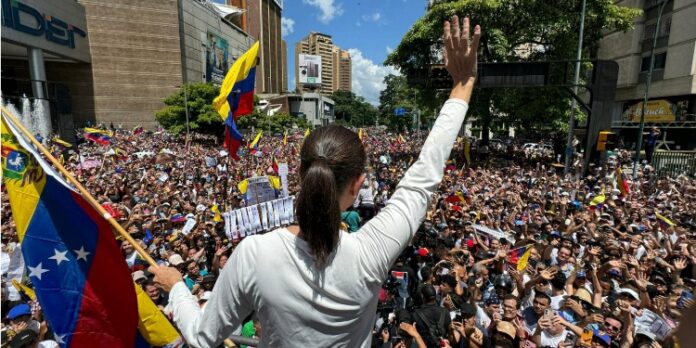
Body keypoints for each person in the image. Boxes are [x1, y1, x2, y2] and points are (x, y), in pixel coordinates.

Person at [149, 15, 481, 347]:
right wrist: (462, 83)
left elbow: (202, 337)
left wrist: (177, 286)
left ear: (299, 174)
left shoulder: (254, 254)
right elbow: (423, 177)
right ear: (357, 184)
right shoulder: (373, 252)